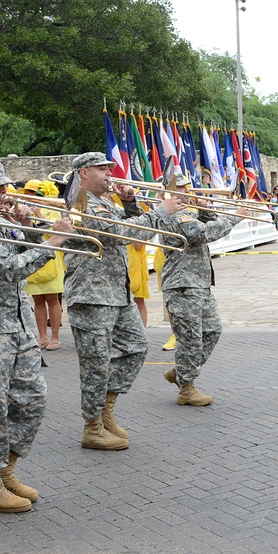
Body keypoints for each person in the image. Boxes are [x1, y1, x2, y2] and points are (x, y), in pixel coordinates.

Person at [0, 160, 74, 513]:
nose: (5, 191)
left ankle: (7, 470)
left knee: (32, 400)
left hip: (17, 329)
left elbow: (25, 251)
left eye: (5, 185)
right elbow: (10, 269)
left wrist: (31, 227)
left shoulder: (1, 220)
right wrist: (54, 241)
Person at [63, 152, 180, 449]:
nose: (109, 174)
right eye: (102, 169)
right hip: (92, 295)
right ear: (84, 173)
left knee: (136, 345)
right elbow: (114, 234)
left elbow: (130, 232)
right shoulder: (79, 201)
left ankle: (106, 409)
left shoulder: (105, 201)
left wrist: (129, 204)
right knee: (96, 364)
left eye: (109, 169)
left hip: (116, 292)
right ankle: (92, 426)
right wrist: (160, 211)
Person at [158, 170, 249, 406]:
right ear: (167, 191)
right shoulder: (174, 214)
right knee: (190, 339)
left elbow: (204, 223)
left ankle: (181, 372)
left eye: (188, 187)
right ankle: (186, 388)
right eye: (181, 188)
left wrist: (206, 208)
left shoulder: (186, 211)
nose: (187, 192)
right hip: (183, 284)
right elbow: (200, 234)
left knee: (212, 330)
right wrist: (234, 217)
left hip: (199, 283)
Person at [20, 179, 64, 350]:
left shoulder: (53, 209)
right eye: (27, 194)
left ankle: (55, 337)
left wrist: (38, 215)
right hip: (33, 257)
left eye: (31, 193)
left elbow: (54, 231)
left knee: (52, 299)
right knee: (37, 300)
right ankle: (42, 337)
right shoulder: (24, 209)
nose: (27, 197)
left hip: (51, 259)